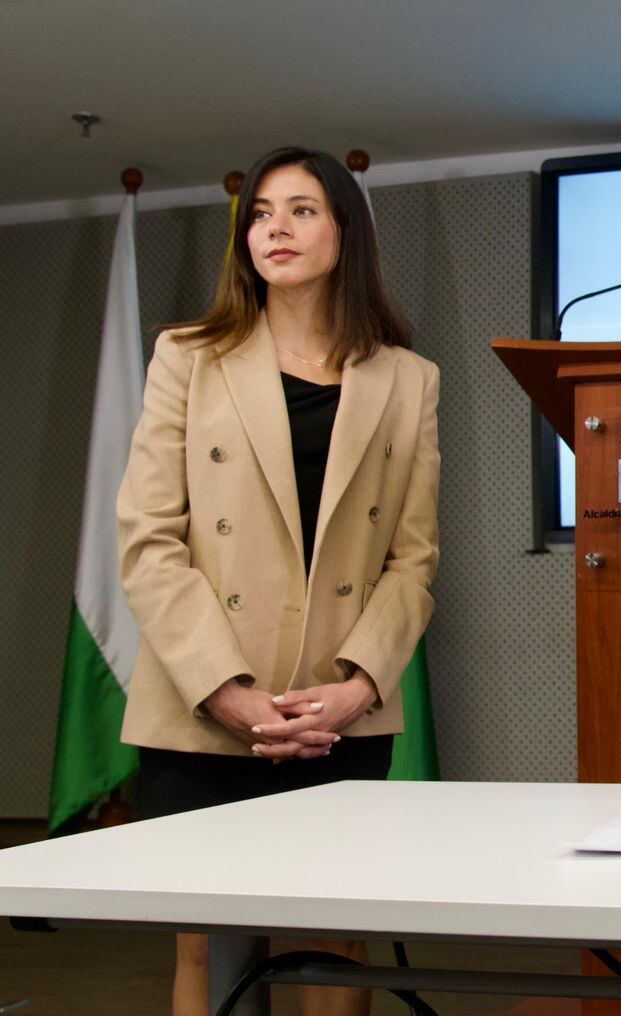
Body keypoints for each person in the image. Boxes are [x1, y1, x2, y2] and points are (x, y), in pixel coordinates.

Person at [117, 146, 440, 1016]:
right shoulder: (187, 357)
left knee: (333, 938)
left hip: (338, 707)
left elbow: (412, 560)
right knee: (206, 940)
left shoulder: (408, 379)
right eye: (260, 213)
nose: (275, 230)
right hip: (206, 706)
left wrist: (358, 687)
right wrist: (225, 689)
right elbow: (148, 539)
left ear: (346, 230)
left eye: (301, 210)